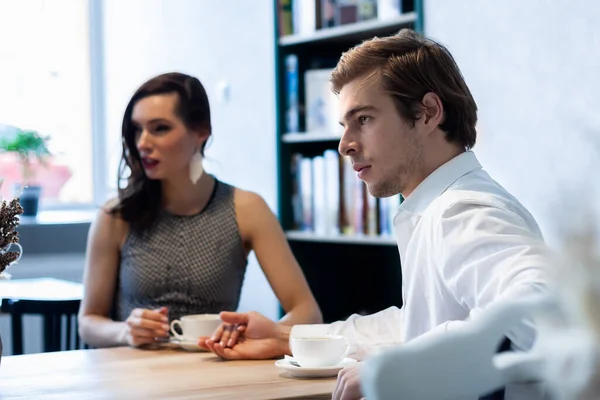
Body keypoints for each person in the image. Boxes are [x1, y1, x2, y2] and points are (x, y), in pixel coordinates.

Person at [198, 29, 552, 400]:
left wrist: (399, 368)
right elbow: (414, 326)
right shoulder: (436, 207)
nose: (344, 145)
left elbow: (535, 309)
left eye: (363, 119)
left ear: (428, 113)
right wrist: (286, 337)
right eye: (344, 125)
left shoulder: (462, 211)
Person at [78, 72, 322, 349]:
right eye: (137, 129)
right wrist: (124, 332)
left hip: (213, 371)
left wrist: (270, 333)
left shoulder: (247, 209)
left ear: (201, 132)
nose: (142, 142)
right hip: (132, 378)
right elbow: (88, 322)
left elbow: (308, 313)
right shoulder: (116, 216)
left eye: (159, 128)